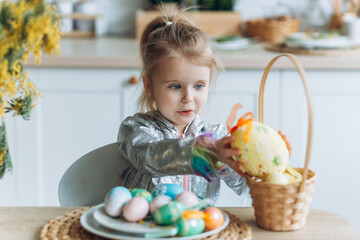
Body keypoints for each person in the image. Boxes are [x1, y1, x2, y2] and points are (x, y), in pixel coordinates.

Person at [117, 8, 247, 205]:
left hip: (200, 228)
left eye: (199, 86)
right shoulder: (135, 130)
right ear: (149, 85)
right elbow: (149, 157)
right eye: (175, 86)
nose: (188, 97)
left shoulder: (217, 136)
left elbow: (245, 186)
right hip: (147, 229)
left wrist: (229, 162)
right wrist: (201, 151)